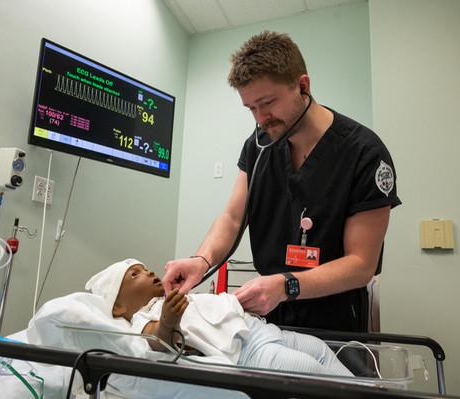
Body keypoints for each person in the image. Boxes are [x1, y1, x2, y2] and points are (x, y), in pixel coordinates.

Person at [163, 31, 401, 332]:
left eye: (267, 103)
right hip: (267, 313)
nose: (260, 118)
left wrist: (286, 286)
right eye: (251, 108)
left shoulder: (364, 153)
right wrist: (201, 260)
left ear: (302, 86)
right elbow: (234, 217)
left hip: (333, 317)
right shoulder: (258, 146)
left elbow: (361, 264)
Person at [85, 259, 353, 377]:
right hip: (248, 353)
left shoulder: (173, 297)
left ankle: (367, 392)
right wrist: (168, 321)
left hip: (263, 331)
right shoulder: (146, 316)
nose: (148, 272)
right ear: (118, 306)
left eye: (144, 268)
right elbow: (156, 340)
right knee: (311, 373)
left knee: (321, 350)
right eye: (135, 274)